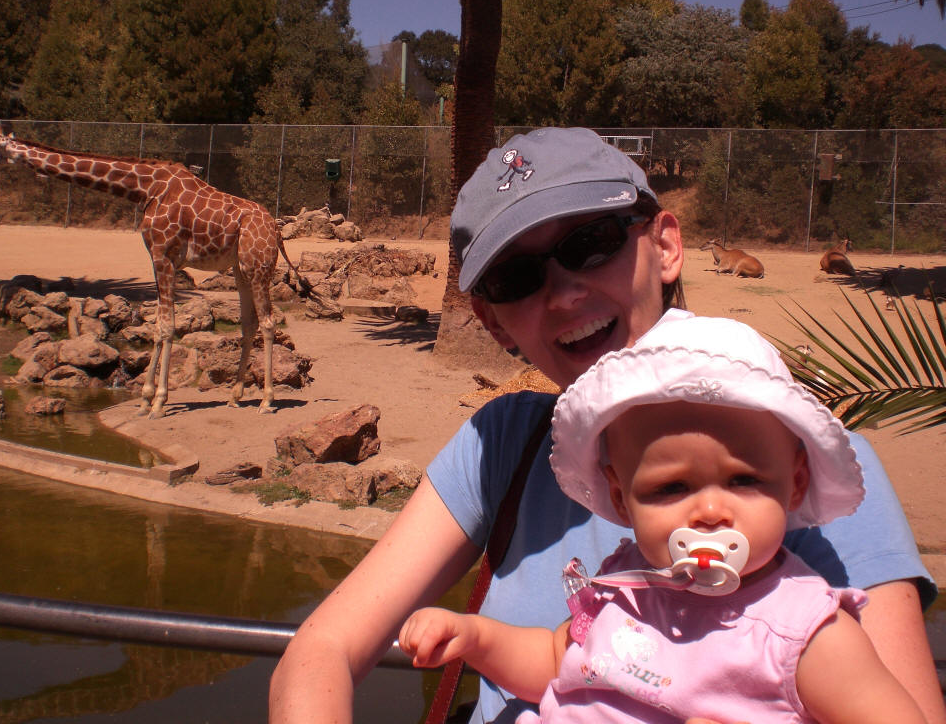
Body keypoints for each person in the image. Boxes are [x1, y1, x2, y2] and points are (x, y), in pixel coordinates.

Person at [269, 127, 943, 723]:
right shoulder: (503, 443)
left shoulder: (813, 462)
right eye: (516, 276)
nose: (564, 293)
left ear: (666, 246)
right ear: (492, 321)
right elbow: (321, 650)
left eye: (591, 244)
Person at [397, 315, 927, 723]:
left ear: (796, 483)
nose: (710, 512)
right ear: (621, 498)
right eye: (671, 488)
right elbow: (557, 658)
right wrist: (477, 638)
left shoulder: (805, 635)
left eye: (744, 480)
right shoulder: (625, 584)